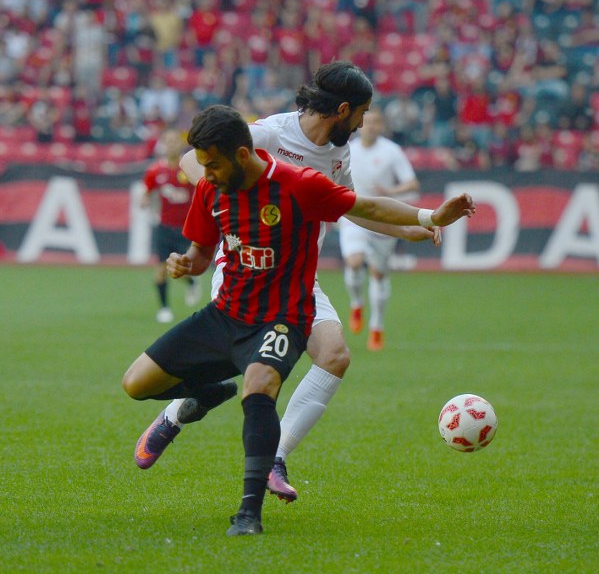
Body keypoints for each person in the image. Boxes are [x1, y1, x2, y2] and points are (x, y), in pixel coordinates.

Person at [122, 104, 475, 536]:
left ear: (241, 155)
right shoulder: (217, 185)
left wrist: (428, 217)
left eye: (212, 164)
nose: (203, 172)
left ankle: (249, 512)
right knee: (136, 384)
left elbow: (365, 207)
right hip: (228, 309)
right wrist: (183, 263)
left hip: (284, 314)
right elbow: (197, 257)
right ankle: (203, 395)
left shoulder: (300, 184)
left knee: (266, 384)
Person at [339, 106, 421, 351]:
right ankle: (356, 303)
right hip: (354, 215)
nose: (371, 126)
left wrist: (390, 192)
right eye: (368, 121)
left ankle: (376, 326)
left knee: (378, 273)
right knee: (354, 261)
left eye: (377, 122)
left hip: (383, 217)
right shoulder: (347, 148)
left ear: (382, 125)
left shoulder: (391, 152)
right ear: (361, 123)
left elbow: (412, 183)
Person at [141, 128, 201, 323]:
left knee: (182, 267)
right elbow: (147, 193)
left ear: (181, 144)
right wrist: (144, 201)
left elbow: (203, 189)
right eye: (168, 141)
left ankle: (191, 281)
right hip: (164, 227)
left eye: (175, 141)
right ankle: (164, 309)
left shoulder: (189, 167)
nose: (171, 144)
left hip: (186, 227)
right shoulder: (155, 171)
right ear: (163, 145)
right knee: (161, 268)